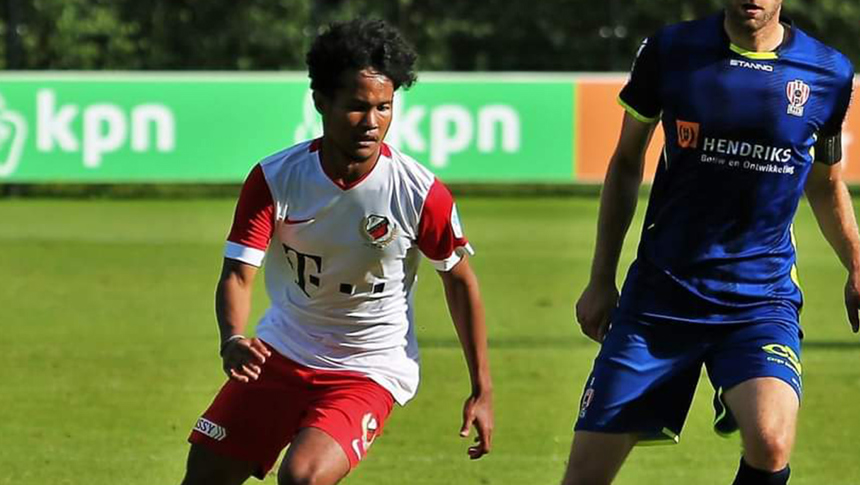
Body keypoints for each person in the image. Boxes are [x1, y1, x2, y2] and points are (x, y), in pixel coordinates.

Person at [179, 18, 493, 485]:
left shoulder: (419, 192)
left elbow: (460, 280)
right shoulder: (275, 179)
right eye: (357, 107)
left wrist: (482, 388)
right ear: (321, 103)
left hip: (368, 368)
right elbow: (238, 274)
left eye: (384, 107)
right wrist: (232, 338)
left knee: (303, 477)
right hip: (280, 351)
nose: (372, 123)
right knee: (204, 476)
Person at [563, 1, 857, 484]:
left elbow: (825, 184)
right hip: (661, 297)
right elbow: (626, 162)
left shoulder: (829, 73)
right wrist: (600, 279)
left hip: (760, 301)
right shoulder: (670, 50)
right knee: (585, 476)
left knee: (771, 440)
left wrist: (857, 264)